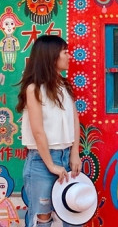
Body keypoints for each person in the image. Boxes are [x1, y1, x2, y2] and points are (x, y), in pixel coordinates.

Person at [16, 35, 82, 227]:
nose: (69, 56)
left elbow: (74, 120)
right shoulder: (33, 89)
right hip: (41, 162)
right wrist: (51, 166)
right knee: (42, 219)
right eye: (65, 52)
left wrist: (75, 152)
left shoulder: (64, 86)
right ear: (52, 56)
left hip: (66, 157)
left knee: (72, 214)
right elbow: (38, 132)